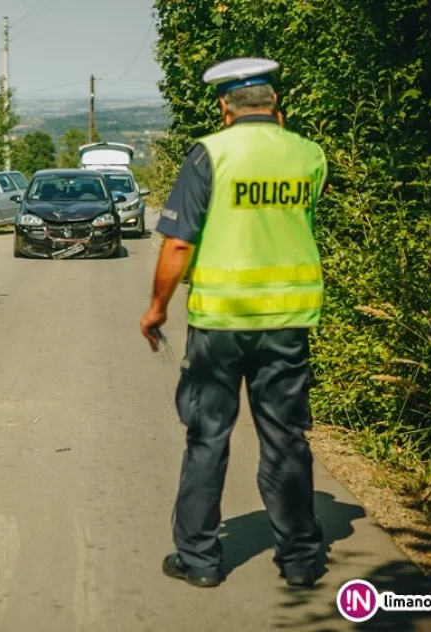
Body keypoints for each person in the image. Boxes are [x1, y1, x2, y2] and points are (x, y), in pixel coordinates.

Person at [139, 58, 328, 589]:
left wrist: (157, 308)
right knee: (286, 439)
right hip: (288, 322)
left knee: (208, 438)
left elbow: (179, 243)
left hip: (220, 323)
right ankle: (300, 561)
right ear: (276, 107)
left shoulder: (211, 153)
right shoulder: (308, 155)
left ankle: (199, 562)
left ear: (225, 107)